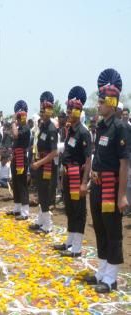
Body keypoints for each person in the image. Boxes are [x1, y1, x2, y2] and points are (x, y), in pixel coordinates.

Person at [84, 69, 128, 293]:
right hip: (98, 185)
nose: (98, 104)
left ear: (112, 102)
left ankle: (111, 278)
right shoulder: (100, 126)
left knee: (112, 230)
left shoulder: (120, 127)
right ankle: (102, 271)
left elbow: (124, 163)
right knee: (100, 228)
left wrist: (122, 195)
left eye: (101, 101)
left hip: (112, 187)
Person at [53, 86, 91, 258]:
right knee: (69, 207)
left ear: (79, 111)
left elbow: (88, 159)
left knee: (79, 210)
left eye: (71, 110)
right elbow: (66, 155)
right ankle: (69, 241)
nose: (68, 112)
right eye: (68, 109)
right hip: (68, 174)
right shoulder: (69, 130)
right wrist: (62, 176)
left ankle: (77, 247)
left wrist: (84, 182)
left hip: (78, 175)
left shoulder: (84, 132)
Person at [29, 91, 58, 234]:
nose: (41, 113)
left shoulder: (52, 129)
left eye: (43, 110)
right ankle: (41, 220)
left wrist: (39, 163)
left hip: (46, 166)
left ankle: (48, 224)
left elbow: (54, 153)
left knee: (45, 194)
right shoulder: (42, 126)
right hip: (40, 162)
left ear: (49, 112)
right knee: (41, 192)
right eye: (40, 110)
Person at [7, 100, 30, 220]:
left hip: (21, 158)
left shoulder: (25, 127)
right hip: (16, 157)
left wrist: (13, 121)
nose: (19, 117)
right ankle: (17, 208)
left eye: (21, 115)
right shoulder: (20, 126)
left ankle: (25, 211)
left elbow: (15, 135)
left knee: (21, 184)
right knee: (15, 183)